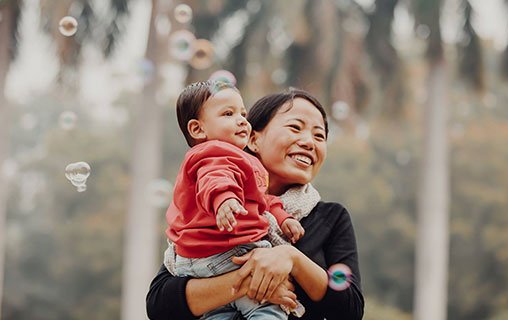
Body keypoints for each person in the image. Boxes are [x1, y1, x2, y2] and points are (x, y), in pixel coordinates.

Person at [147, 88, 364, 320]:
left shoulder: (332, 217)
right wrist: (246, 281)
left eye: (319, 136)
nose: (309, 142)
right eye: (295, 127)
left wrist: (291, 259)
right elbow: (160, 305)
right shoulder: (212, 209)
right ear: (253, 138)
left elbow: (349, 311)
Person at [164, 80, 305, 319]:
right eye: (228, 114)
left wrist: (282, 217)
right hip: (229, 253)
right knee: (267, 308)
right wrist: (224, 199)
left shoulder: (237, 159)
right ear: (198, 129)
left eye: (243, 113)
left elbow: (261, 199)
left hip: (199, 265)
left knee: (219, 315)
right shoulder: (215, 152)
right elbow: (215, 178)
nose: (241, 120)